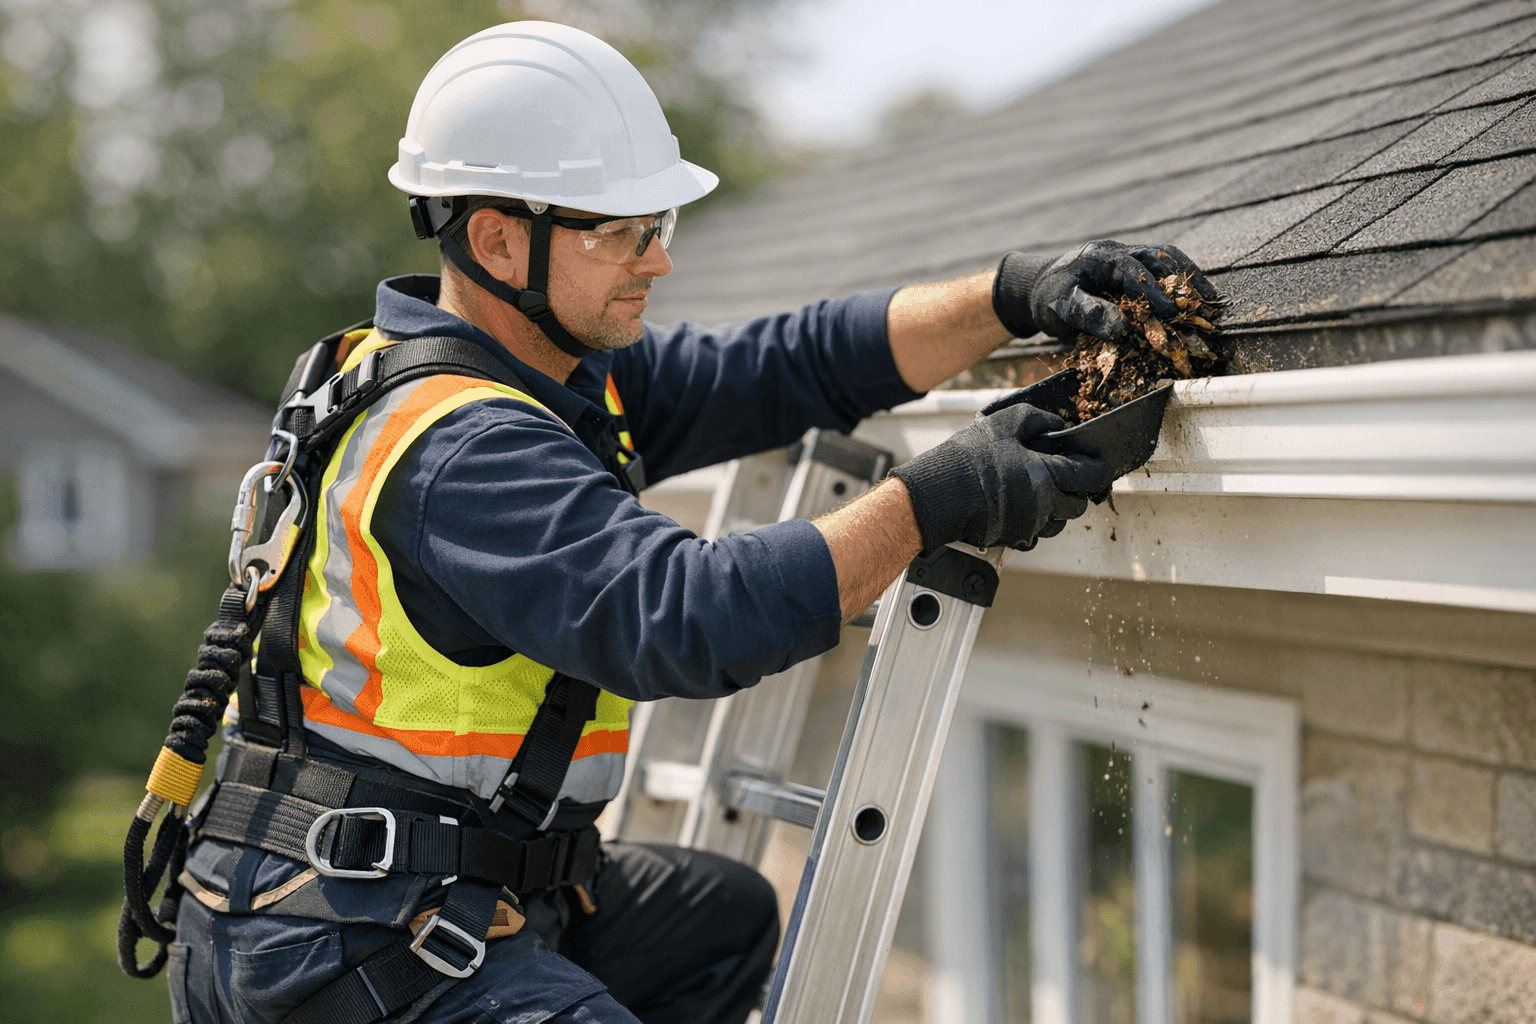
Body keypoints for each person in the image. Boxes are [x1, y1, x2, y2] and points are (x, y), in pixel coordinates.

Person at [169, 21, 1218, 1024]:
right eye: (625, 232)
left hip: (368, 880)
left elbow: (789, 362)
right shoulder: (464, 448)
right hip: (334, 945)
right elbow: (687, 614)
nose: (657, 260)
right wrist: (944, 494)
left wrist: (1013, 292)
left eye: (656, 228)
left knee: (723, 920)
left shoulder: (539, 376)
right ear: (497, 239)